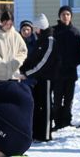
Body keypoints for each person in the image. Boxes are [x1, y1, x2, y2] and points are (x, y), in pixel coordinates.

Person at [23, 14, 58, 142]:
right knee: (39, 106)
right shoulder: (41, 39)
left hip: (47, 77)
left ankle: (46, 134)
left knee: (46, 106)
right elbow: (33, 58)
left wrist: (28, 73)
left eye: (36, 28)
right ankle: (38, 133)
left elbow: (43, 62)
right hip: (39, 78)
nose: (35, 31)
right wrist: (24, 69)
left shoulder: (49, 40)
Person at [50, 5, 80, 131]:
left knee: (69, 98)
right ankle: (57, 121)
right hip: (57, 72)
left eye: (68, 14)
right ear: (59, 16)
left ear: (71, 16)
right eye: (63, 14)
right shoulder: (54, 31)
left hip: (70, 71)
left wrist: (73, 63)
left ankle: (67, 120)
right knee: (57, 98)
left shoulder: (74, 32)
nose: (66, 17)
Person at [0, 11, 29, 83]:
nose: (8, 26)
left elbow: (23, 51)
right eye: (6, 24)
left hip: (14, 75)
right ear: (2, 22)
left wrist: (17, 61)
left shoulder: (16, 35)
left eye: (10, 24)